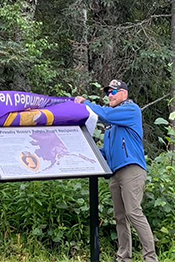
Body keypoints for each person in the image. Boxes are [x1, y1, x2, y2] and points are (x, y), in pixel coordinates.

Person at [74, 79, 158, 262]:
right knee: (120, 216)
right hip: (116, 173)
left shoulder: (130, 109)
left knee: (133, 212)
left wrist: (85, 103)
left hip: (131, 170)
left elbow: (104, 114)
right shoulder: (112, 124)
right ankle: (123, 257)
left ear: (124, 94)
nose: (109, 96)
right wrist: (87, 150)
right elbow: (107, 151)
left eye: (113, 92)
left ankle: (150, 258)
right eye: (107, 93)